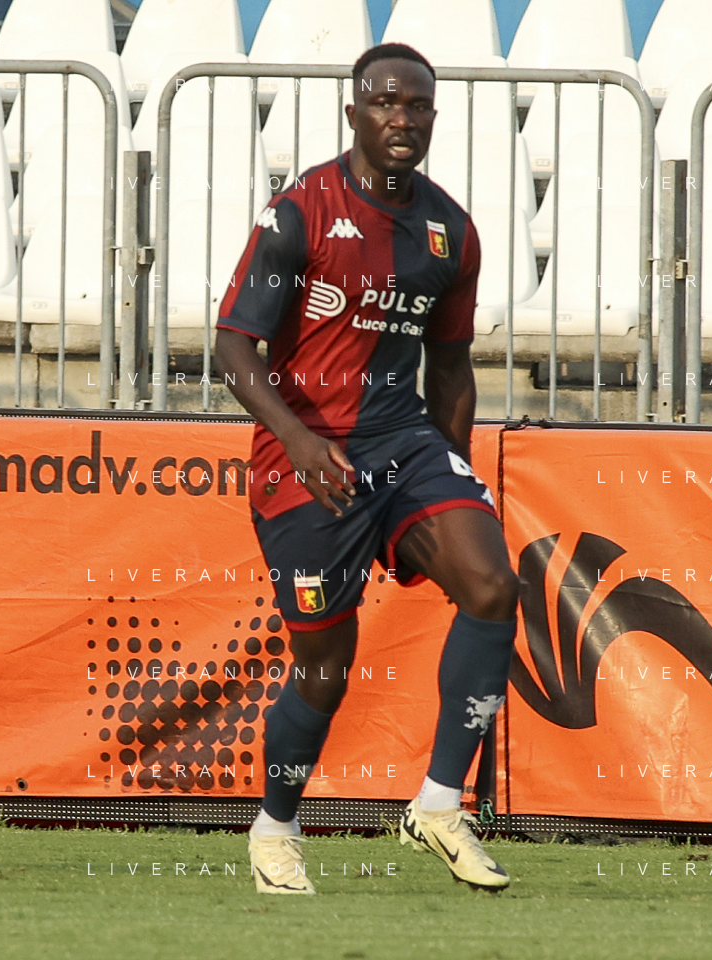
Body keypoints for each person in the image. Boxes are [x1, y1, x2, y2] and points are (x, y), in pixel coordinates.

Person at [214, 42, 518, 895]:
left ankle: (440, 806)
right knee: (325, 667)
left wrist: (450, 468)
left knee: (492, 585)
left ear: (431, 118)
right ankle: (276, 830)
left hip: (404, 443)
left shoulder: (450, 231)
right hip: (303, 456)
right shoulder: (299, 213)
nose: (400, 118)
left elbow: (449, 365)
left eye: (416, 105)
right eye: (385, 102)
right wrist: (297, 441)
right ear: (353, 113)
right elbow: (233, 348)